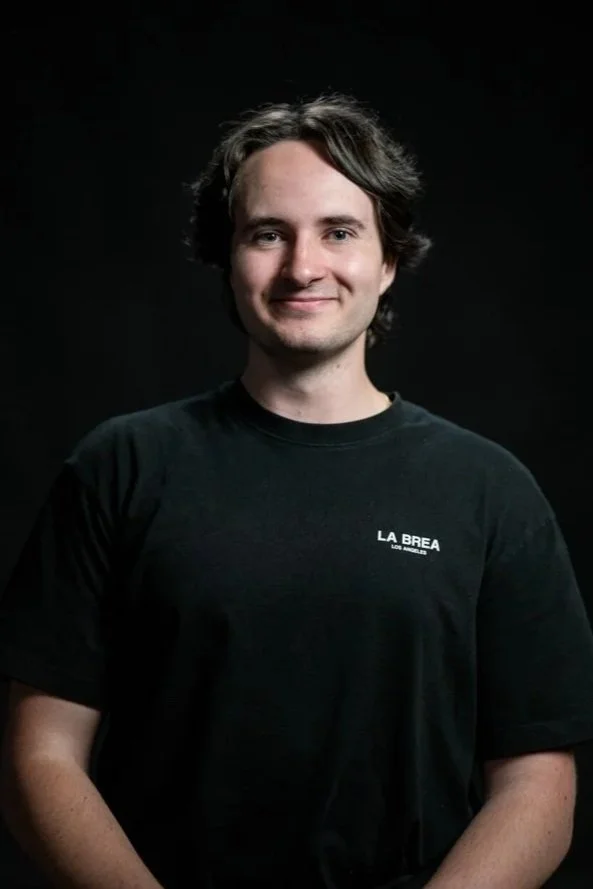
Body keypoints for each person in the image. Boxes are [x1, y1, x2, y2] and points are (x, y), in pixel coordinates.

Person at [1, 93, 593, 889]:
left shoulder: (489, 490)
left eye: (338, 232)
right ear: (227, 257)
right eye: (267, 233)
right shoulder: (121, 466)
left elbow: (536, 783)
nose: (302, 267)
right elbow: (40, 752)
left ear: (388, 260)